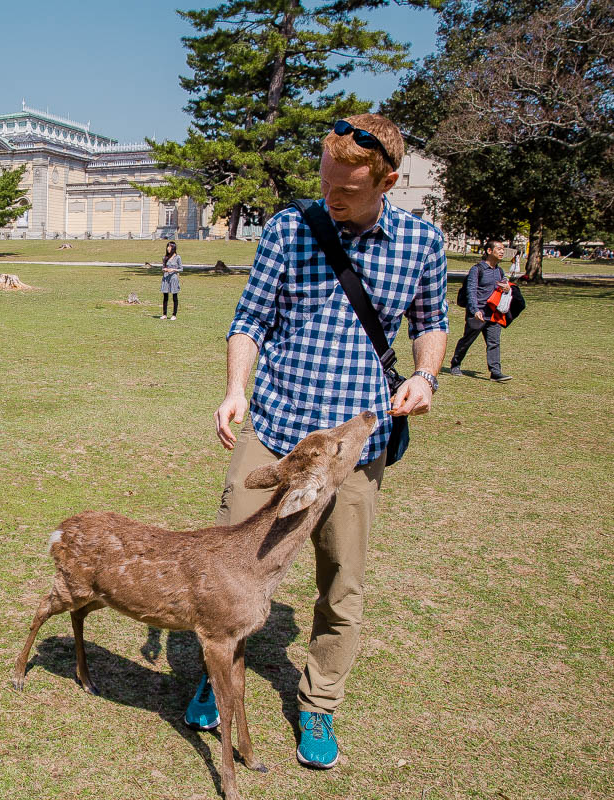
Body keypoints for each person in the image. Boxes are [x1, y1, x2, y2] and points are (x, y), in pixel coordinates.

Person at [184, 114, 448, 771]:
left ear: (387, 181)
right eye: (325, 181)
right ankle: (219, 680)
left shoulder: (421, 243)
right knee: (225, 568)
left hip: (354, 451)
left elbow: (432, 322)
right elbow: (249, 318)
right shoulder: (288, 228)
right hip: (272, 433)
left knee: (340, 587)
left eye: (348, 190)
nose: (331, 196)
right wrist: (234, 388)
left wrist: (425, 374)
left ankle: (319, 705)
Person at [450, 240, 512, 382]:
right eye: (499, 249)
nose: (502, 251)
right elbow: (471, 291)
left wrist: (507, 288)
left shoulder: (499, 270)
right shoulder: (477, 269)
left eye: (503, 249)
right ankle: (455, 363)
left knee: (494, 342)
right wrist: (474, 310)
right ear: (489, 251)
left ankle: (495, 372)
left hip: (493, 313)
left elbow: (503, 287)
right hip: (478, 313)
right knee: (467, 340)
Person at [160, 241, 182, 320]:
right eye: (167, 247)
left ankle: (174, 315)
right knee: (165, 297)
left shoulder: (178, 257)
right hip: (166, 278)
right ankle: (164, 314)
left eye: (169, 247)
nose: (168, 248)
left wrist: (173, 269)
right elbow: (162, 267)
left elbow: (181, 269)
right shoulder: (165, 257)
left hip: (173, 278)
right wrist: (164, 269)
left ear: (173, 248)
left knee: (174, 297)